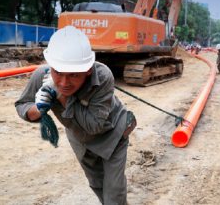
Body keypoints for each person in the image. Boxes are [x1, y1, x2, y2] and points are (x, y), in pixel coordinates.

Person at [15, 26, 136, 204]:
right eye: (58, 73)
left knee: (114, 192)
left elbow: (94, 125)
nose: (64, 82)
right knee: (97, 184)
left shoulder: (102, 77)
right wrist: (39, 108)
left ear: (87, 70)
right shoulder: (42, 75)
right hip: (81, 139)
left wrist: (60, 95)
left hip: (113, 134)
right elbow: (23, 105)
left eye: (73, 75)